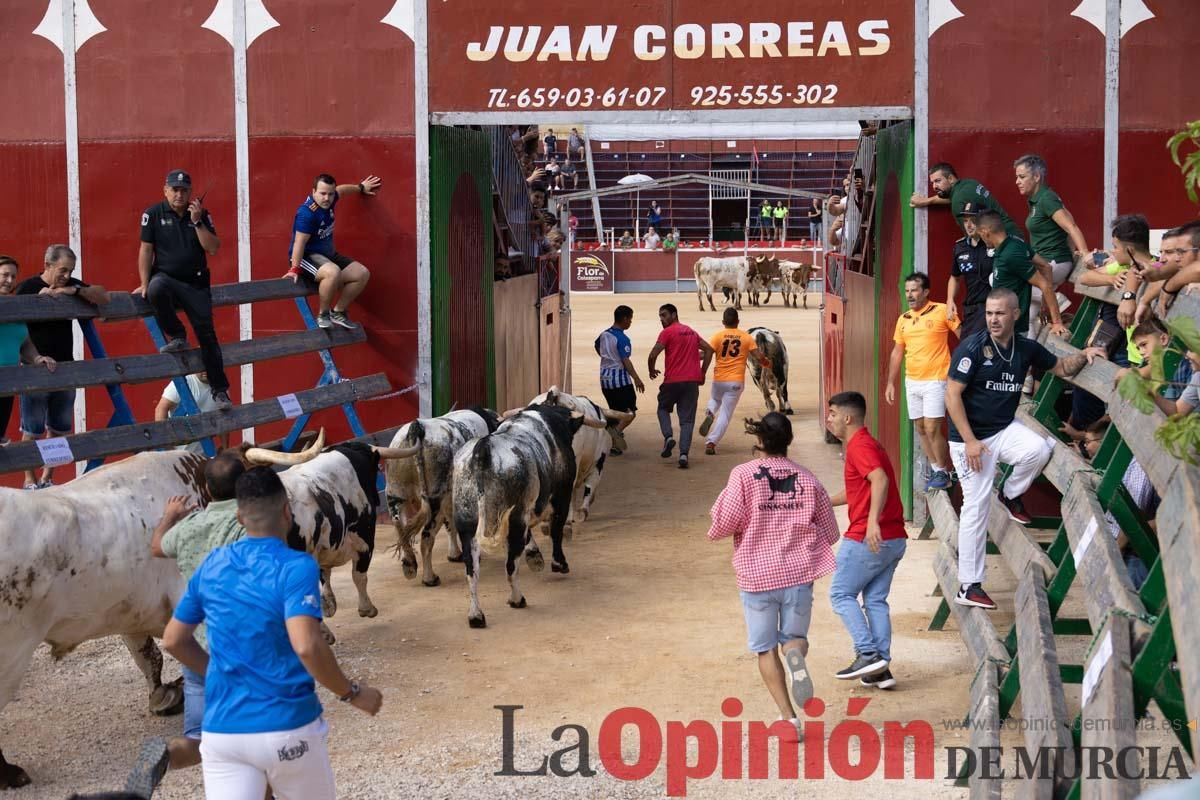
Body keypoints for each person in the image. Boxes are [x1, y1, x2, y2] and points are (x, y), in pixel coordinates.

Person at [162, 467, 383, 800]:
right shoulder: (296, 567)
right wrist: (352, 693)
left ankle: (173, 752)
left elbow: (173, 640)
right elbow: (307, 645)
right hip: (287, 727)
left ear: (239, 516)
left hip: (224, 733)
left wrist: (220, 672)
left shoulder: (213, 564)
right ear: (286, 511)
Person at [944, 288, 1106, 610]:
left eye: (1000, 313)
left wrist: (1085, 354)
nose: (993, 319)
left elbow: (1061, 367)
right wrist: (971, 441)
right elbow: (951, 396)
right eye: (989, 313)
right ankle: (969, 584)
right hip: (969, 439)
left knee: (1039, 448)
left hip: (1001, 430)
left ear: (1016, 314)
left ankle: (1010, 493)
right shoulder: (973, 348)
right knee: (975, 505)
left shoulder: (1026, 348)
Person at [707, 412, 839, 737]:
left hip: (757, 575)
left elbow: (724, 523)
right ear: (789, 441)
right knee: (794, 639)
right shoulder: (807, 478)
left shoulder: (742, 474)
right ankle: (795, 656)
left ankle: (789, 719)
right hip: (797, 574)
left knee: (764, 649)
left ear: (760, 441)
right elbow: (831, 531)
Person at [149, 453, 247, 774]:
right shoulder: (247, 525)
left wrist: (169, 516)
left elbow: (157, 546)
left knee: (198, 730)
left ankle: (169, 753)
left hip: (195, 637)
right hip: (238, 640)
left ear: (206, 488)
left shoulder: (189, 525)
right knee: (253, 727)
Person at [825, 391, 908, 687]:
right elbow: (859, 489)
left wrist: (872, 522)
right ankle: (880, 668)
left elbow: (880, 480)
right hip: (894, 538)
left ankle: (868, 653)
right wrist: (823, 501)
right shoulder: (868, 444)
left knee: (840, 594)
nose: (829, 419)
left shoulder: (859, 446)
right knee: (874, 600)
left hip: (868, 537)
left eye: (832, 413)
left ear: (847, 418)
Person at [137, 169, 232, 411]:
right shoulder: (152, 214)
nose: (179, 194)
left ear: (190, 192)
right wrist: (144, 282)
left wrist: (197, 220)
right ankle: (177, 335)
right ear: (165, 190)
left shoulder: (201, 214)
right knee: (156, 289)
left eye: (184, 190)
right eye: (175, 189)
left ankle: (220, 390)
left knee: (207, 335)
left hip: (196, 283)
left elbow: (213, 248)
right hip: (166, 277)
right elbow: (146, 250)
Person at [16, 244, 109, 489]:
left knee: (58, 429)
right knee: (32, 429)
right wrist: (38, 301)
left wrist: (73, 290)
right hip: (35, 369)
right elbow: (15, 324)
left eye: (70, 271)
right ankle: (29, 480)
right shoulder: (28, 287)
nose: (66, 275)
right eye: (62, 270)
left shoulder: (70, 283)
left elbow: (104, 296)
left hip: (65, 369)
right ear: (47, 265)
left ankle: (47, 479)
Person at [884, 272, 960, 491]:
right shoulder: (903, 319)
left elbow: (964, 337)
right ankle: (937, 469)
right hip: (912, 380)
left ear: (926, 292)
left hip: (937, 379)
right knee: (920, 428)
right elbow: (898, 352)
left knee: (932, 427)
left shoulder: (942, 311)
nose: (910, 295)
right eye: (907, 291)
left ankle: (943, 471)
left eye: (914, 290)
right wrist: (891, 382)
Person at [285, 172, 381, 330]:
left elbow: (341, 190)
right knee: (333, 272)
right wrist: (294, 268)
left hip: (327, 256)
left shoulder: (331, 198)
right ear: (313, 191)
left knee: (361, 274)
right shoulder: (307, 213)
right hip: (306, 257)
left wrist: (361, 187)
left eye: (330, 194)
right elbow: (299, 243)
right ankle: (323, 314)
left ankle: (338, 312)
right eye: (322, 193)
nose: (326, 198)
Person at [1013, 154, 1085, 330]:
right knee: (1029, 315)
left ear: (1036, 177)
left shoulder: (1046, 198)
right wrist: (1071, 248)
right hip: (1045, 263)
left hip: (1053, 262)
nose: (1017, 181)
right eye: (1016, 177)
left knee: (1006, 283)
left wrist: (1084, 253)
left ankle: (1055, 299)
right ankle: (1031, 354)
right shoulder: (1036, 201)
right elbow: (1067, 222)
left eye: (1022, 177)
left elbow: (1071, 226)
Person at [974, 211, 1067, 339]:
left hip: (1009, 330)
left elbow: (1044, 283)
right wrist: (1044, 304)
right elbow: (1046, 266)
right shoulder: (1015, 242)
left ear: (985, 231)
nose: (981, 239)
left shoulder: (1010, 254)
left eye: (979, 234)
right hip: (1002, 326)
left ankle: (1058, 302)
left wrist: (1056, 322)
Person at [647, 303, 713, 469]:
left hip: (672, 382)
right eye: (660, 316)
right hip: (691, 383)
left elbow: (653, 354)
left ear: (674, 315)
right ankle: (683, 455)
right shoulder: (691, 331)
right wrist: (702, 372)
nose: (661, 319)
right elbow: (709, 350)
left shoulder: (667, 332)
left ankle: (668, 437)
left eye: (664, 315)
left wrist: (651, 370)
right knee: (687, 421)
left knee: (662, 409)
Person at [0, 255, 56, 447]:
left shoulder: (15, 307)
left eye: (13, 277)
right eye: (5, 275)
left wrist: (37, 357)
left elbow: (24, 342)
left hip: (9, 382)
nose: (9, 281)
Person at [698, 308, 769, 456]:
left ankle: (710, 413)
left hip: (719, 380)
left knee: (715, 399)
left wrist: (699, 366)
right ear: (738, 321)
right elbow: (758, 356)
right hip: (735, 382)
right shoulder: (746, 337)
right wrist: (766, 362)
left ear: (723, 322)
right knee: (725, 414)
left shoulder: (717, 337)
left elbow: (707, 354)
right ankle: (711, 442)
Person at [910, 162, 1022, 238]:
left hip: (1002, 242)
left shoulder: (958, 202)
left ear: (950, 178)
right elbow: (951, 198)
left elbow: (973, 237)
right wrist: (927, 201)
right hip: (1013, 234)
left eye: (938, 181)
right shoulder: (969, 184)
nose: (934, 186)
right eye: (932, 183)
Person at [594, 305, 646, 455]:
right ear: (624, 319)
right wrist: (636, 378)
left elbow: (596, 346)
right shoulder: (623, 338)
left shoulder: (604, 334)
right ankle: (615, 432)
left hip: (605, 379)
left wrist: (607, 358)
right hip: (620, 381)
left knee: (616, 412)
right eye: (630, 319)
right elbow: (626, 361)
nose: (630, 322)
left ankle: (615, 446)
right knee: (630, 414)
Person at [946, 203, 994, 339]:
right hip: (972, 310)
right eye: (966, 221)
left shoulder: (993, 243)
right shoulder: (960, 247)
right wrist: (950, 300)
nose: (969, 225)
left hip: (993, 307)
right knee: (969, 350)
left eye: (973, 220)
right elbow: (955, 278)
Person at [155, 373, 231, 454]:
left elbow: (223, 420)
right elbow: (161, 408)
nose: (205, 370)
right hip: (176, 454)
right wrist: (166, 446)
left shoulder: (220, 389)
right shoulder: (183, 382)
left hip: (203, 455)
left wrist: (225, 449)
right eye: (200, 366)